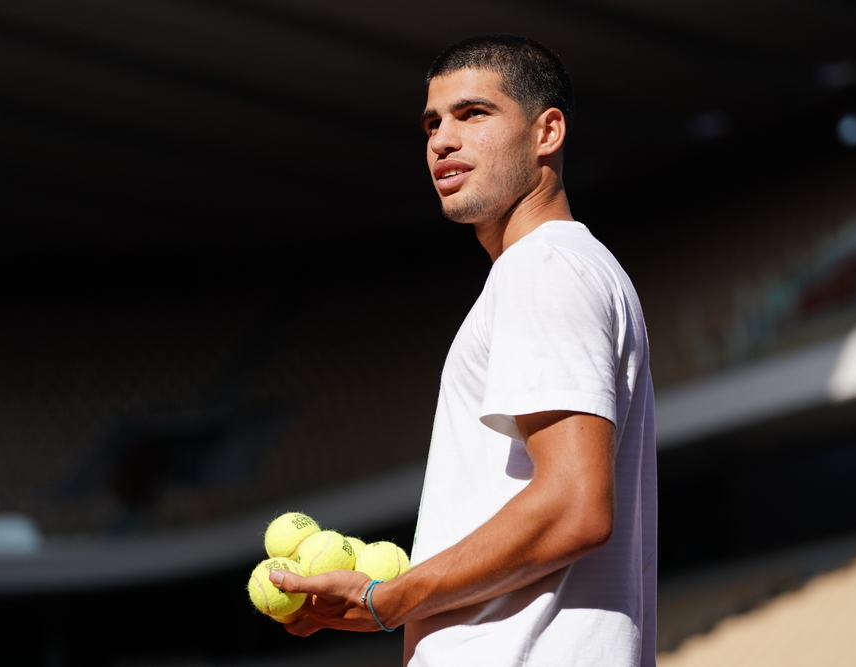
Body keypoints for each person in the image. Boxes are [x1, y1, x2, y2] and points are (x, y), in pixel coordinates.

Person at [269, 35, 657, 666]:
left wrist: (388, 599)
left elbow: (576, 506)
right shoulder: (562, 266)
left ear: (547, 132)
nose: (441, 141)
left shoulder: (543, 266)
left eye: (473, 114)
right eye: (431, 123)